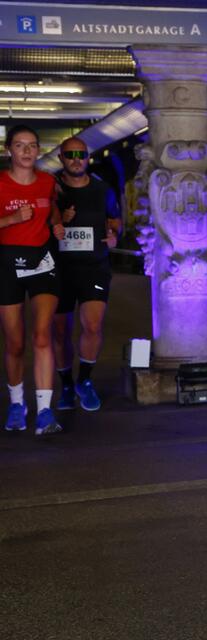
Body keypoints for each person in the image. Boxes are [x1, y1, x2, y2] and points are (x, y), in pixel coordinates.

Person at [0, 125, 66, 436]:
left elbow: (50, 207)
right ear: (8, 150)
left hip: (42, 262)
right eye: (19, 145)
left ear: (38, 150)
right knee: (14, 342)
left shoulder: (47, 181)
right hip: (7, 263)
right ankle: (17, 404)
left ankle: (44, 411)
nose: (26, 151)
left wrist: (56, 223)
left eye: (31, 145)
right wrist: (11, 220)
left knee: (42, 335)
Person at [52, 137, 121, 412]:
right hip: (59, 268)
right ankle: (66, 384)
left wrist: (115, 235)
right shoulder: (52, 188)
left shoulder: (103, 189)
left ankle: (85, 381)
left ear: (88, 157)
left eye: (81, 154)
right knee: (60, 332)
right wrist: (60, 220)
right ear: (61, 158)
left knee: (93, 326)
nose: (76, 159)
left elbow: (115, 220)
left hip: (94, 266)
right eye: (70, 155)